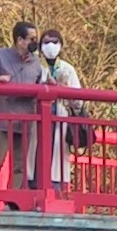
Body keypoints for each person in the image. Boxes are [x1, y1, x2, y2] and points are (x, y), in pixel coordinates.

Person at [0, 23, 41, 200]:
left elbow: (41, 83)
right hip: (4, 118)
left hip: (26, 119)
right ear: (20, 40)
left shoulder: (36, 63)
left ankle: (13, 202)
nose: (34, 42)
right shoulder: (0, 56)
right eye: (31, 39)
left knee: (20, 165)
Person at [34, 27, 87, 195]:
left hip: (60, 119)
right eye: (46, 42)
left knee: (57, 160)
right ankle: (32, 189)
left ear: (61, 46)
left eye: (54, 42)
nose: (50, 46)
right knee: (34, 158)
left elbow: (79, 101)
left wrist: (63, 89)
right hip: (35, 119)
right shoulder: (33, 66)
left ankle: (56, 192)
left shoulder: (67, 69)